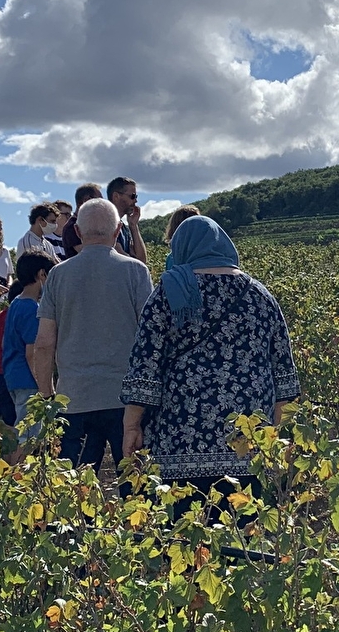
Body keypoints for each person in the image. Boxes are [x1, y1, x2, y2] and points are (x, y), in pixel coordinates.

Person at [122, 215, 300, 516]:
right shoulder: (261, 296)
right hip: (246, 440)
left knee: (183, 535)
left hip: (178, 439)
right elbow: (284, 374)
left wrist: (131, 424)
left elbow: (145, 365)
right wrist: (276, 435)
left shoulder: (168, 293)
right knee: (241, 537)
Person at [34, 198, 153, 471]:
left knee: (75, 494)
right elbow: (149, 338)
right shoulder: (136, 272)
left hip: (74, 400)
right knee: (136, 491)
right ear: (117, 232)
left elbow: (43, 343)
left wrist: (46, 396)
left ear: (77, 232)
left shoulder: (58, 276)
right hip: (126, 402)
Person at [1, 253, 57, 430]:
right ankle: (17, 459)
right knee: (29, 437)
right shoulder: (32, 309)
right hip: (29, 381)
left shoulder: (16, 303)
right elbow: (32, 352)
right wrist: (45, 388)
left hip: (14, 377)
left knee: (24, 431)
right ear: (41, 274)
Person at [106, 176, 149, 263]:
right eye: (132, 196)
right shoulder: (106, 223)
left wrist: (133, 226)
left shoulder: (123, 228)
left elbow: (142, 260)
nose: (136, 200)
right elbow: (121, 258)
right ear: (116, 196)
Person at [60, 184, 102, 259]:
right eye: (99, 200)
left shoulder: (87, 224)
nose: (102, 204)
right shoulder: (71, 227)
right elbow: (89, 254)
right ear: (87, 200)